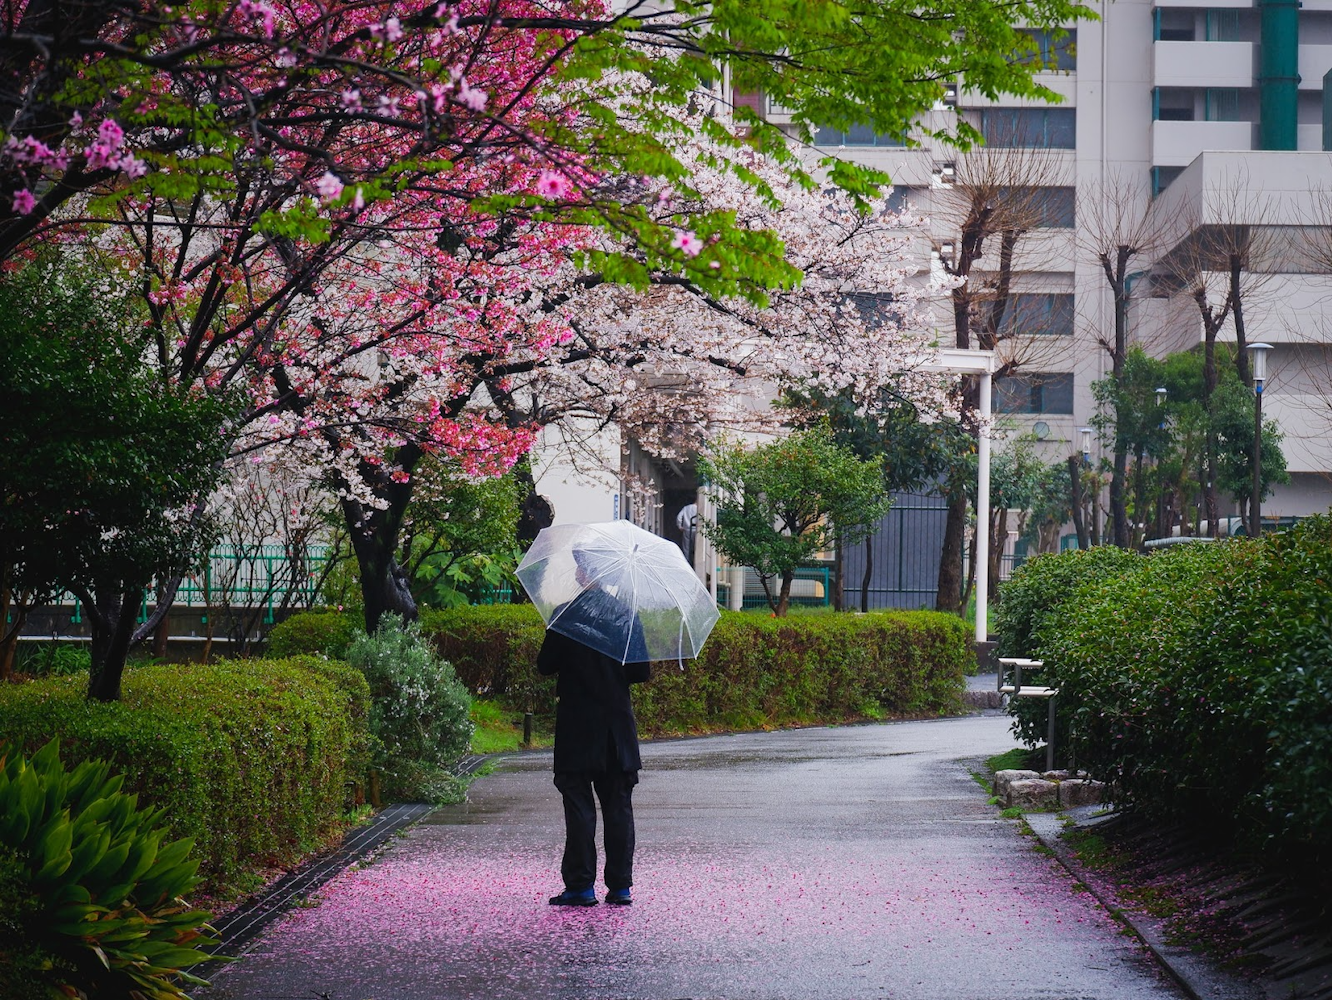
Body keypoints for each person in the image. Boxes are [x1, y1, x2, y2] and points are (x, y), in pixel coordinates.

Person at [537, 553, 651, 907]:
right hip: (616, 730)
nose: (576, 571)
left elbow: (545, 666)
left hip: (576, 727)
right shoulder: (625, 615)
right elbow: (640, 673)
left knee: (579, 807)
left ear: (585, 572)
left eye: (579, 566)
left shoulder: (564, 615)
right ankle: (620, 887)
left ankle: (581, 886)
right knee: (618, 806)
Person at [675, 501, 698, 566]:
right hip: (697, 529)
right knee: (696, 546)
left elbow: (679, 517)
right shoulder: (699, 509)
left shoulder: (686, 508)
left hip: (687, 529)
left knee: (686, 547)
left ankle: (686, 563)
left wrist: (680, 526)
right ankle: (695, 562)